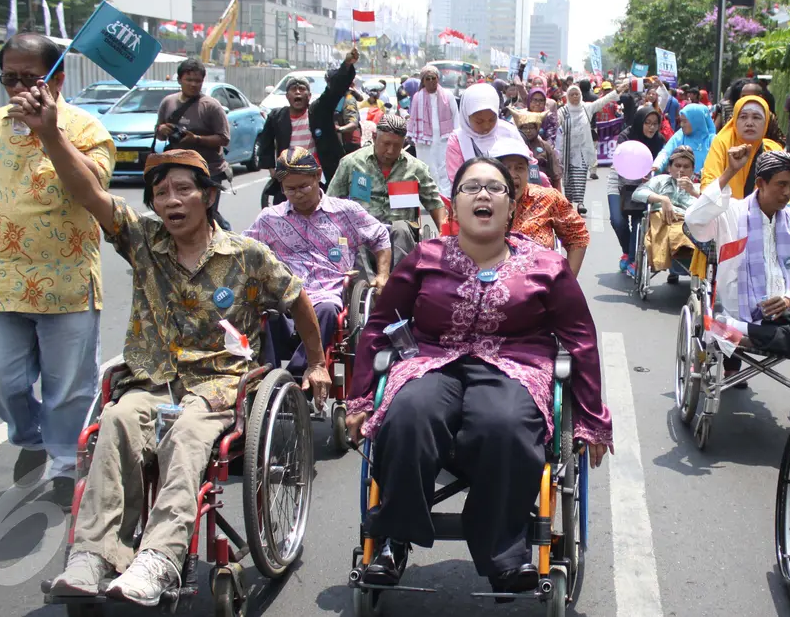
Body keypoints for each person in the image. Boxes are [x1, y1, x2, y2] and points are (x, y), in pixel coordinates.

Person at [33, 139, 330, 605]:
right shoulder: (143, 241)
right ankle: (93, 554)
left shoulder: (246, 255)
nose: (171, 201)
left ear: (208, 196)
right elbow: (89, 193)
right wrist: (49, 131)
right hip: (153, 379)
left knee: (187, 433)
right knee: (115, 421)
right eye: (161, 193)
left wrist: (316, 363)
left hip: (218, 385)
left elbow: (296, 300)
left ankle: (160, 558)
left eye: (183, 190)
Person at [345, 157, 613, 593]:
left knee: (504, 424)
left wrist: (593, 418)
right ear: (454, 206)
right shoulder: (426, 257)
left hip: (517, 365)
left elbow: (580, 338)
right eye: (472, 188)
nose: (483, 195)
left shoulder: (546, 265)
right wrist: (360, 398)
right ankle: (394, 538)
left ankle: (506, 555)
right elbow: (381, 324)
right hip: (431, 359)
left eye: (495, 188)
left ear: (512, 207)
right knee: (409, 413)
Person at [0, 33, 115, 500]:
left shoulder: (86, 129)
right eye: (10, 78)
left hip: (68, 284)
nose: (19, 88)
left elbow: (94, 190)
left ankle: (64, 463)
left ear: (57, 77)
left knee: (70, 389)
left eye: (30, 78)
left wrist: (50, 131)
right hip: (1, 282)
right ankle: (31, 436)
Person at [246, 147, 392, 374]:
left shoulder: (346, 211)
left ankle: (299, 376)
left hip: (328, 296)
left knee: (324, 310)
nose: (298, 194)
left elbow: (380, 236)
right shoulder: (269, 218)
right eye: (290, 189)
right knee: (266, 314)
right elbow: (245, 250)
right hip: (285, 298)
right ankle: (268, 382)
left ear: (317, 176)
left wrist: (383, 275)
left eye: (304, 186)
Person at [685, 150, 790, 359]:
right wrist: (730, 172)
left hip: (784, 314)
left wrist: (788, 299)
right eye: (781, 184)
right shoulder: (732, 213)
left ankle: (747, 334)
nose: (788, 192)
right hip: (737, 310)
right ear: (760, 183)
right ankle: (747, 329)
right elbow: (694, 220)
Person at [328, 114, 448, 270]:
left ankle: (399, 283)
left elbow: (434, 203)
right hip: (365, 230)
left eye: (397, 146)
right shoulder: (351, 163)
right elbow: (331, 200)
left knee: (401, 228)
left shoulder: (416, 169)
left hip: (400, 233)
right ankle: (367, 287)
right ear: (374, 136)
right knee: (356, 231)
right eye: (386, 144)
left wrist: (443, 234)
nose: (390, 151)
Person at [694, 95, 786, 281]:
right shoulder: (722, 144)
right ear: (735, 119)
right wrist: (731, 170)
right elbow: (708, 190)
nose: (749, 123)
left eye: (756, 117)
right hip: (726, 227)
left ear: (766, 122)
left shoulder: (774, 150)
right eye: (743, 117)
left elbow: (788, 196)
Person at [256, 49, 361, 199]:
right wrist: (273, 170)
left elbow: (335, 89)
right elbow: (265, 143)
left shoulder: (319, 111)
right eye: (293, 89)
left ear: (309, 96)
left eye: (302, 89)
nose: (298, 92)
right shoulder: (276, 116)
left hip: (321, 177)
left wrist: (347, 65)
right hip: (290, 178)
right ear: (287, 96)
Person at [490, 132, 589, 276]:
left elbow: (578, 236)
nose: (512, 174)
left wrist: (568, 284)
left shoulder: (547, 198)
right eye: (506, 168)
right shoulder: (481, 201)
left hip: (540, 290)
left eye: (519, 168)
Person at [155, 58, 233, 230]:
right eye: (189, 80)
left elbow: (224, 138)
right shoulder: (168, 103)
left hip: (208, 171)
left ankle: (229, 238)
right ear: (179, 80)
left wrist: (196, 139)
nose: (193, 84)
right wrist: (162, 130)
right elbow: (159, 135)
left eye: (198, 81)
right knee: (182, 215)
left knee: (208, 215)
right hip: (177, 169)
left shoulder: (210, 106)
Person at [609, 105, 666, 277]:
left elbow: (661, 164)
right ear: (640, 122)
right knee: (617, 221)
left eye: (655, 123)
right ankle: (626, 250)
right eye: (647, 123)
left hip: (643, 185)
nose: (651, 127)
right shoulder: (625, 136)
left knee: (637, 222)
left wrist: (651, 177)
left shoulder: (660, 140)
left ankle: (633, 260)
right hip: (618, 182)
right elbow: (623, 162)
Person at [632, 146, 700, 284]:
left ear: (693, 170)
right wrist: (663, 199)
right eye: (677, 165)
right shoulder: (661, 180)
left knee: (688, 231)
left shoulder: (698, 187)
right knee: (662, 222)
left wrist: (692, 191)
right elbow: (637, 194)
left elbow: (710, 206)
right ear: (669, 168)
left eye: (686, 167)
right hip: (661, 218)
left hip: (686, 222)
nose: (681, 170)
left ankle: (683, 254)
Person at [444, 83, 522, 192]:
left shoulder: (508, 132)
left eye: (492, 119)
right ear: (466, 116)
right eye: (479, 121)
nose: (486, 126)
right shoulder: (458, 140)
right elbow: (457, 179)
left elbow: (527, 164)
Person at [559, 82, 623, 213]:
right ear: (567, 97)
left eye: (577, 94)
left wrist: (617, 91)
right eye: (572, 94)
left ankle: (580, 203)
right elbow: (556, 126)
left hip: (583, 149)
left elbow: (602, 101)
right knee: (569, 178)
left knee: (581, 176)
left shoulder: (586, 108)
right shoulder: (562, 111)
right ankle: (568, 202)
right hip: (567, 151)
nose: (575, 97)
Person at [654, 103, 716, 173]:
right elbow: (666, 152)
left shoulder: (711, 140)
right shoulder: (680, 136)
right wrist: (657, 165)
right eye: (681, 121)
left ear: (696, 122)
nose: (681, 125)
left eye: (685, 121)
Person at [511, 108, 563, 192]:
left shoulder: (545, 146)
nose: (528, 131)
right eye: (524, 127)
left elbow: (556, 176)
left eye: (531, 127)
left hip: (544, 190)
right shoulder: (513, 147)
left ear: (537, 129)